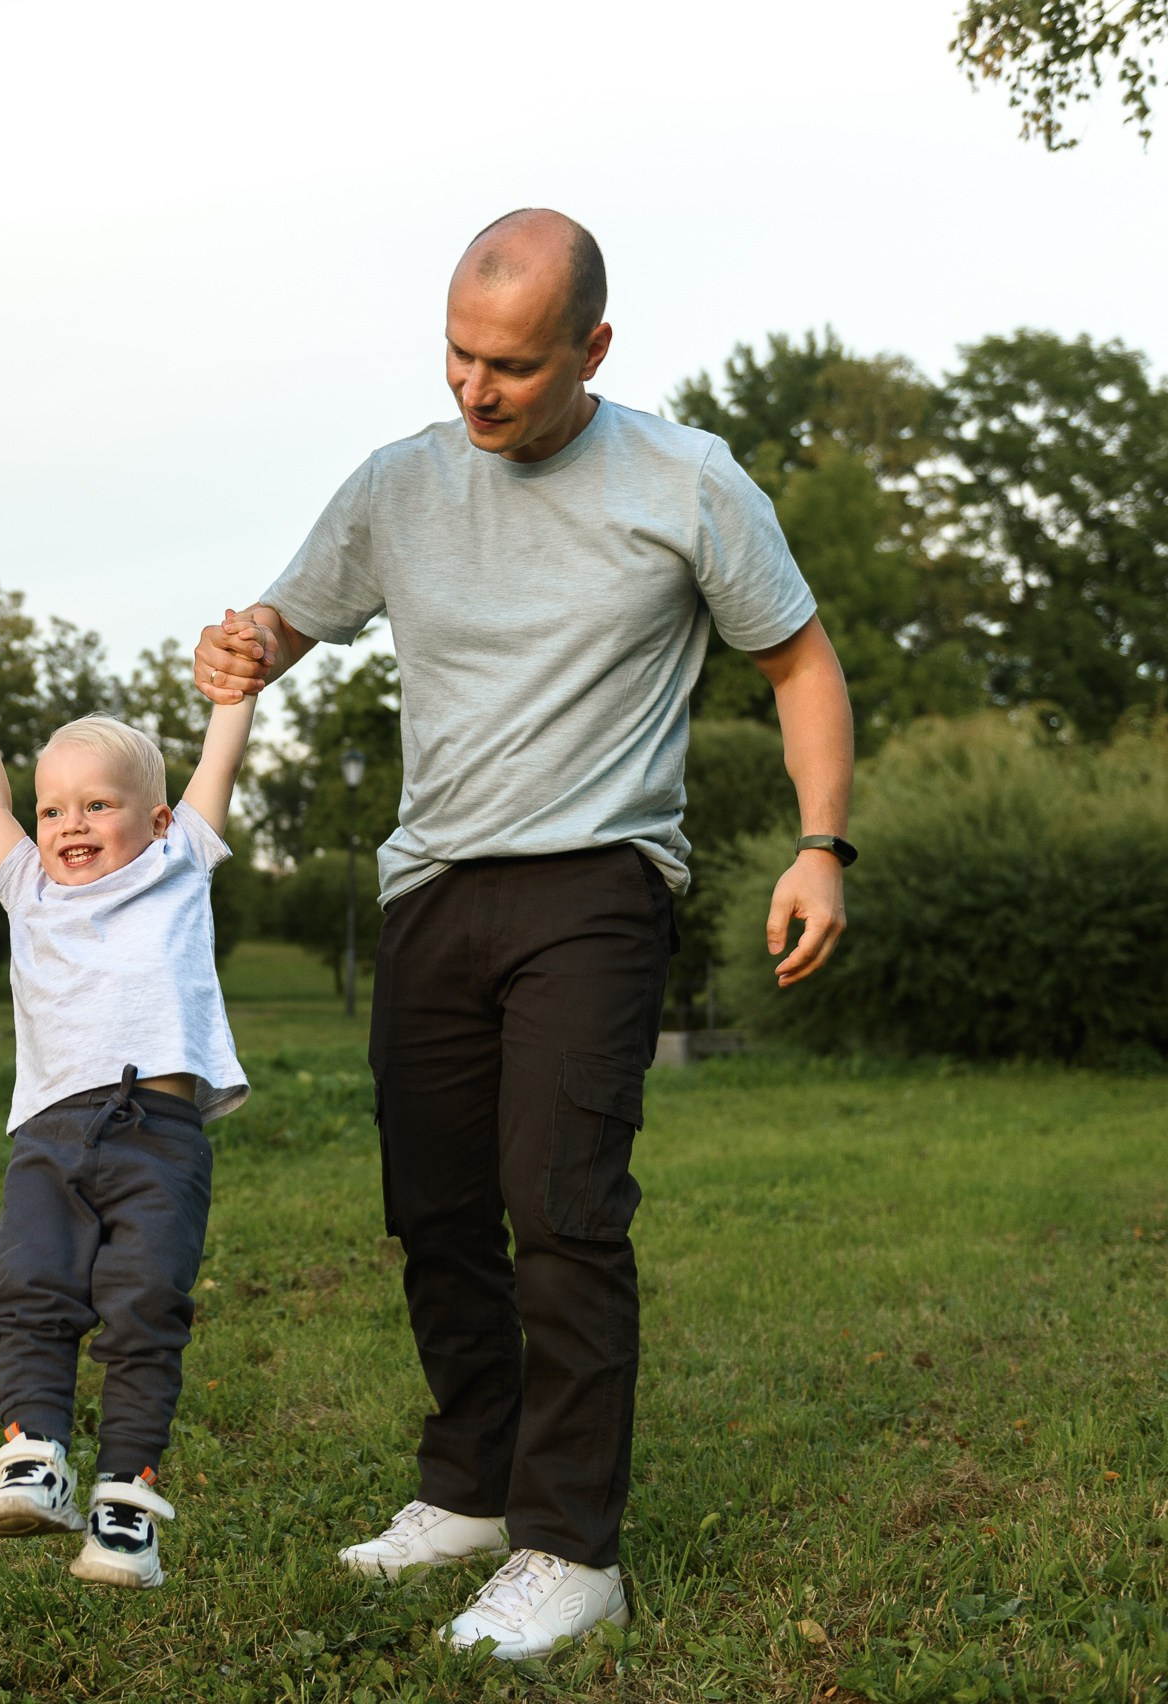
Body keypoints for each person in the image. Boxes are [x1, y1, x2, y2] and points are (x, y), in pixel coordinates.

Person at [195, 210, 855, 1660]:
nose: (474, 390)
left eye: (509, 365)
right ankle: (471, 1490)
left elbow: (800, 661)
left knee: (558, 1208)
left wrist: (820, 847)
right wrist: (242, 646)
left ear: (592, 351)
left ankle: (570, 1546)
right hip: (433, 887)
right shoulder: (397, 488)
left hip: (596, 884)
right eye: (456, 355)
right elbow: (286, 623)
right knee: (435, 1212)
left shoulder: (686, 481)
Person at [0, 684, 257, 1587]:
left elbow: (220, 761)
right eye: (53, 808)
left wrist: (235, 693)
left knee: (144, 1310)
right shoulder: (28, 887)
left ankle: (127, 1504)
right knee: (29, 1291)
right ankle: (35, 1454)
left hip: (158, 1139)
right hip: (48, 1138)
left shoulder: (179, 865)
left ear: (157, 820)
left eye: (97, 805)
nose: (69, 824)